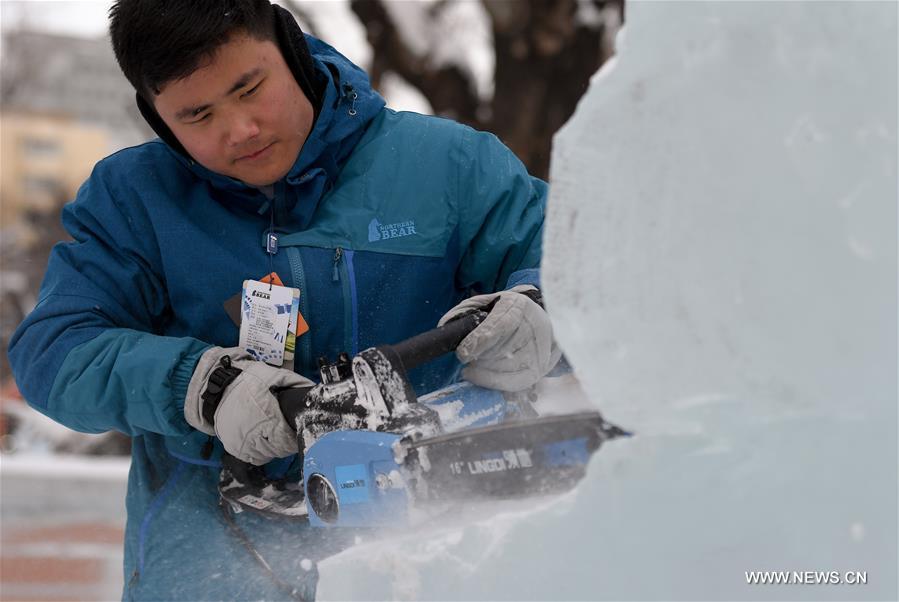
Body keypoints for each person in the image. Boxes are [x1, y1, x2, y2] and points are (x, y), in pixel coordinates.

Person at [7, 1, 560, 600]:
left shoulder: (450, 168)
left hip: (440, 565)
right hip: (210, 576)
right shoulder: (133, 200)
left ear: (291, 50)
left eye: (249, 88)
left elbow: (587, 275)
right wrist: (203, 387)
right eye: (197, 115)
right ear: (158, 118)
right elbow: (54, 352)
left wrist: (543, 312)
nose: (240, 130)